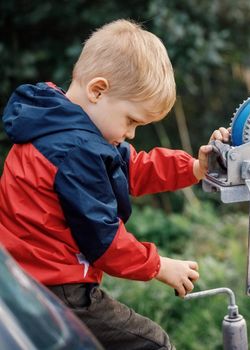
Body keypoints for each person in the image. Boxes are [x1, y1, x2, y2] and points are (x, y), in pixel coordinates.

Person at [0, 19, 229, 349]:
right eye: (131, 120)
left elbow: (132, 168)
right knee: (151, 343)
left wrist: (194, 167)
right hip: (54, 287)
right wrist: (160, 266)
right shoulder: (76, 151)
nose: (132, 133)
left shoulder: (57, 124)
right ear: (97, 90)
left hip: (23, 279)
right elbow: (104, 241)